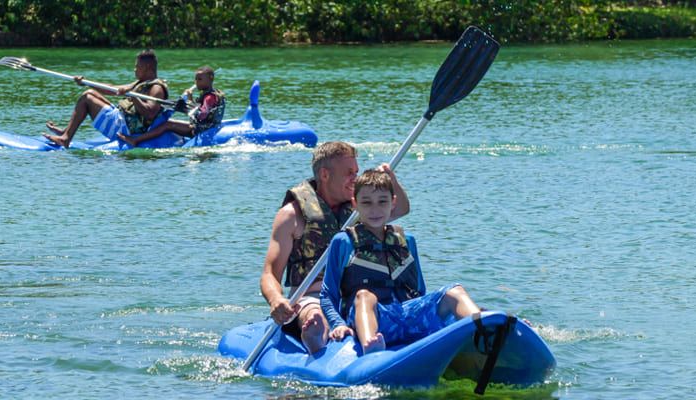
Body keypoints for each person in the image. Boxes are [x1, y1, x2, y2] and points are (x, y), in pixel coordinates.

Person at [260, 141, 410, 354]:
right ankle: (315, 336)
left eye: (356, 172)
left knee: (372, 299)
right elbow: (269, 273)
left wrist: (391, 180)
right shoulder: (291, 216)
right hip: (313, 296)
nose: (355, 179)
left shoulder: (360, 206)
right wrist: (276, 299)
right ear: (325, 174)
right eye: (349, 173)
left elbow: (401, 208)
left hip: (356, 294)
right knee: (314, 313)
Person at [320, 169, 482, 355]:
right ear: (355, 204)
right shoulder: (343, 242)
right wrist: (338, 324)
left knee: (455, 291)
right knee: (365, 296)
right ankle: (370, 348)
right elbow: (327, 295)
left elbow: (419, 290)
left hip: (406, 315)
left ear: (393, 202)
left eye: (382, 202)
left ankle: (485, 331)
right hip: (371, 319)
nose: (375, 210)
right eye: (367, 203)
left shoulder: (407, 240)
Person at [42, 49, 168, 148]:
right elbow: (112, 89)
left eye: (137, 67)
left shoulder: (156, 88)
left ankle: (65, 139)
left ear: (147, 68)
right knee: (90, 92)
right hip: (123, 119)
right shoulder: (141, 82)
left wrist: (132, 95)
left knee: (86, 98)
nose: (134, 70)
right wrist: (86, 83)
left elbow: (150, 113)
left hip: (124, 129)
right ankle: (67, 131)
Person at [117, 66, 225, 146]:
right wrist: (190, 99)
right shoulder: (213, 93)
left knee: (167, 125)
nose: (196, 82)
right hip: (206, 126)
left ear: (210, 79)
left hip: (201, 130)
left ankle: (136, 140)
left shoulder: (209, 97)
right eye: (196, 79)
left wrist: (188, 102)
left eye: (200, 79)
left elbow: (201, 115)